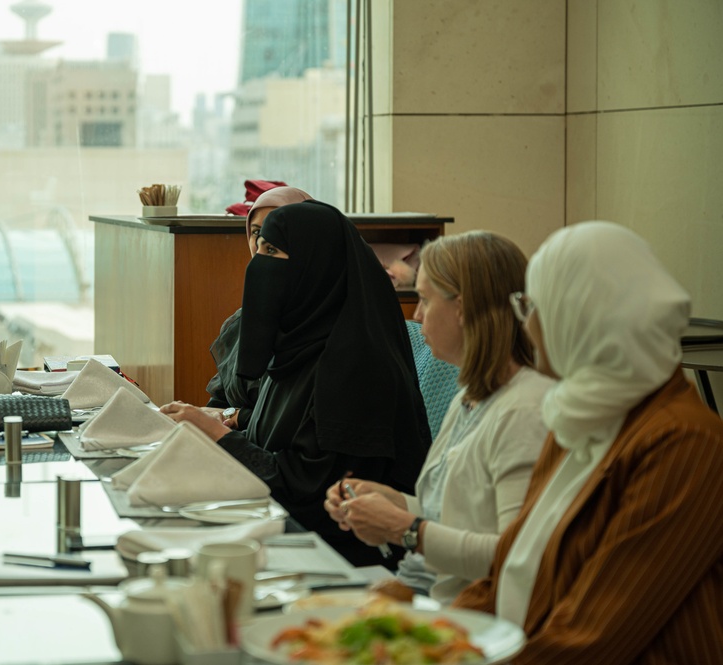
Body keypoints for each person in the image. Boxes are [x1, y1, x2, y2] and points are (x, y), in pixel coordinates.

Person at [452, 221, 723, 663]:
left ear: (577, 316)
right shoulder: (575, 419)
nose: (528, 323)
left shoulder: (685, 441)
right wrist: (434, 639)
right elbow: (507, 571)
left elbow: (594, 637)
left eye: (531, 305)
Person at [163, 200, 431, 567]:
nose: (260, 265)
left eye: (272, 250)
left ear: (314, 265)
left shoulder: (355, 365)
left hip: (338, 558)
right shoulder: (297, 346)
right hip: (277, 527)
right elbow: (268, 442)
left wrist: (216, 435)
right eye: (259, 248)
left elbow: (309, 490)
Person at [324, 231, 553, 603]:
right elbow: (461, 514)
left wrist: (405, 529)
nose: (416, 316)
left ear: (462, 308)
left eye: (425, 301)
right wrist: (392, 504)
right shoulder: (470, 395)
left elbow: (515, 555)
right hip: (426, 590)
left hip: (470, 615)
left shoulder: (525, 410)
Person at [204, 186, 313, 430]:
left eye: (278, 232)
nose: (264, 242)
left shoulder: (319, 322)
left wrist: (236, 417)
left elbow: (294, 423)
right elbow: (219, 403)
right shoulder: (242, 322)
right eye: (256, 233)